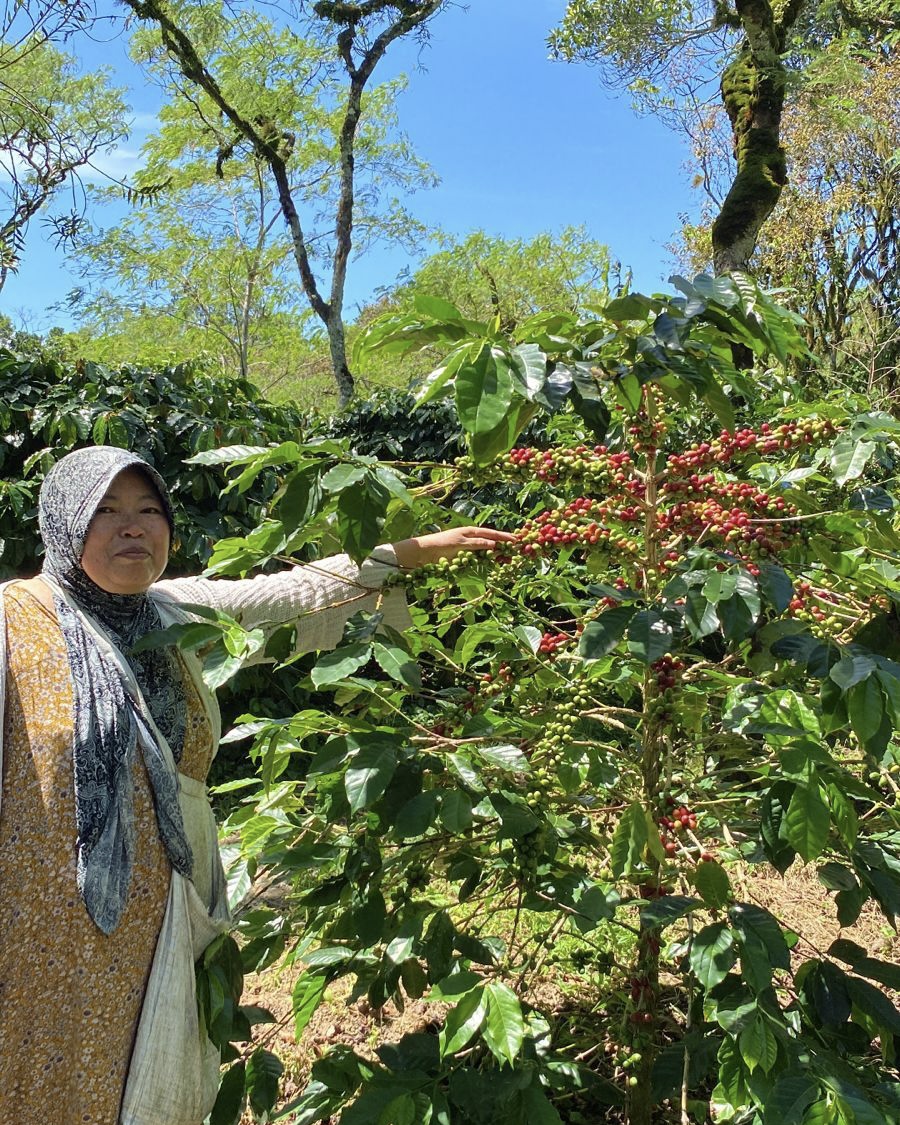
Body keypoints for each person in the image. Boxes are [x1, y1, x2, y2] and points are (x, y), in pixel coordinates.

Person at [0, 445, 513, 1125]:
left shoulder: (174, 614)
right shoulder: (13, 623)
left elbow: (293, 594)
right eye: (105, 510)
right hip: (36, 932)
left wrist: (422, 550)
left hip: (161, 928)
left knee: (135, 1087)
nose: (132, 527)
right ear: (64, 522)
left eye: (149, 509)